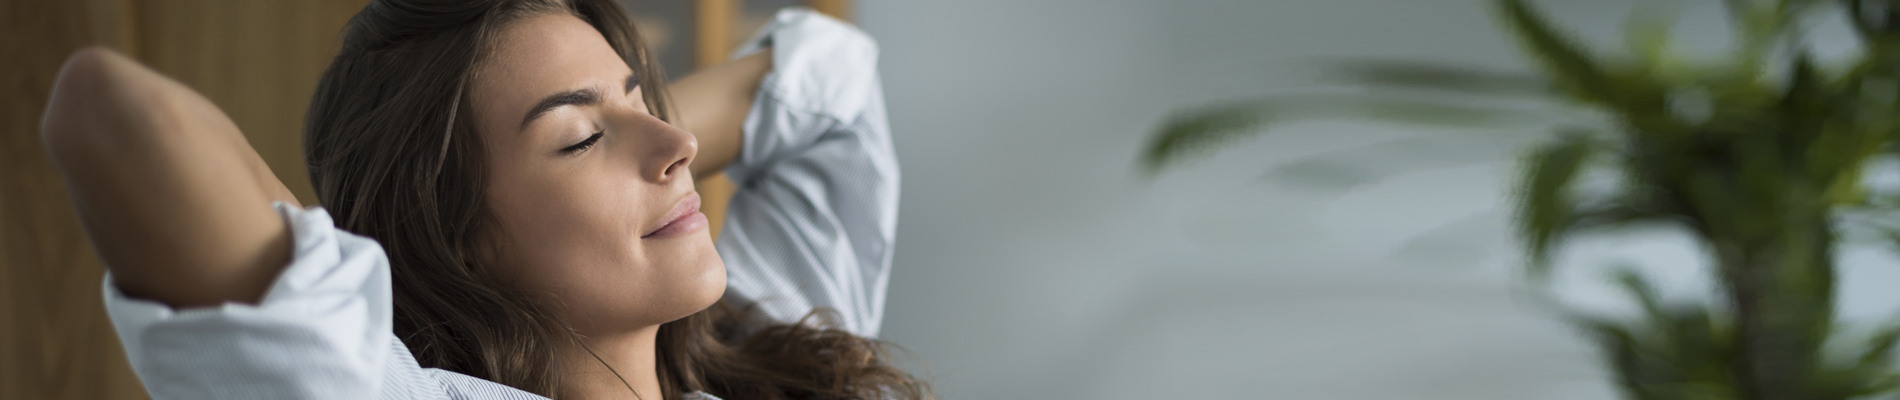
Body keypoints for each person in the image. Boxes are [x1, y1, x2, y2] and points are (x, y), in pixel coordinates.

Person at [38, 0, 926, 399]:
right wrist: (368, 250)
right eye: (579, 139)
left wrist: (617, 140)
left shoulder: (771, 349)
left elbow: (835, 85)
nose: (682, 144)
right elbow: (115, 113)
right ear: (458, 237)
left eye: (641, 97)